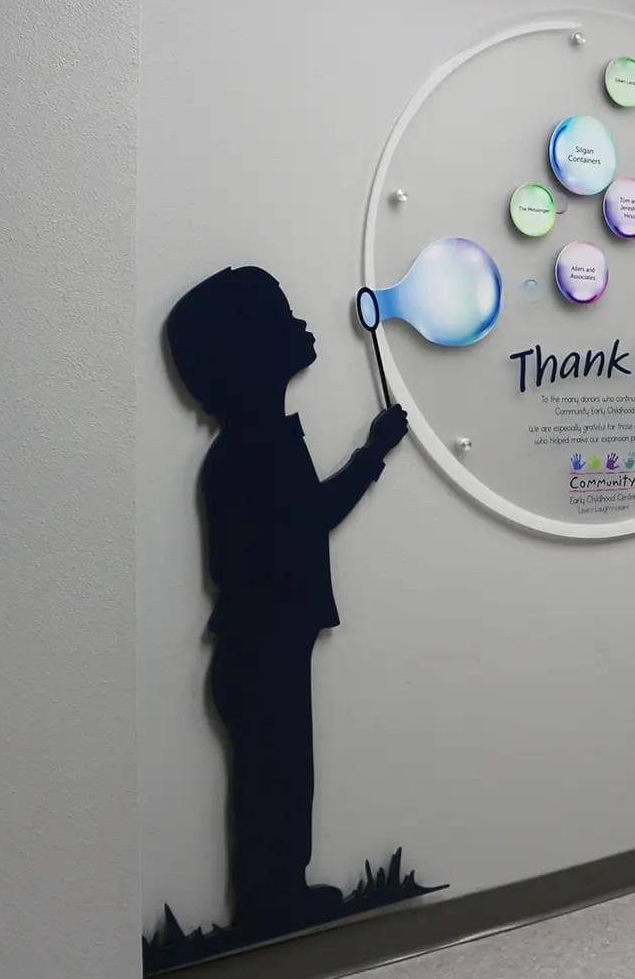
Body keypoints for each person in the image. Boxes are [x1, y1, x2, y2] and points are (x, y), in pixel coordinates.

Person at [164, 266, 408, 932]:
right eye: (282, 317)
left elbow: (300, 521)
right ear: (251, 352)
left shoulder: (253, 445)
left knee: (281, 777)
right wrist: (372, 454)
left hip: (265, 644)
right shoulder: (253, 449)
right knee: (278, 778)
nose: (299, 324)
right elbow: (309, 519)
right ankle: (270, 899)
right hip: (263, 648)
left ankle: (277, 893)